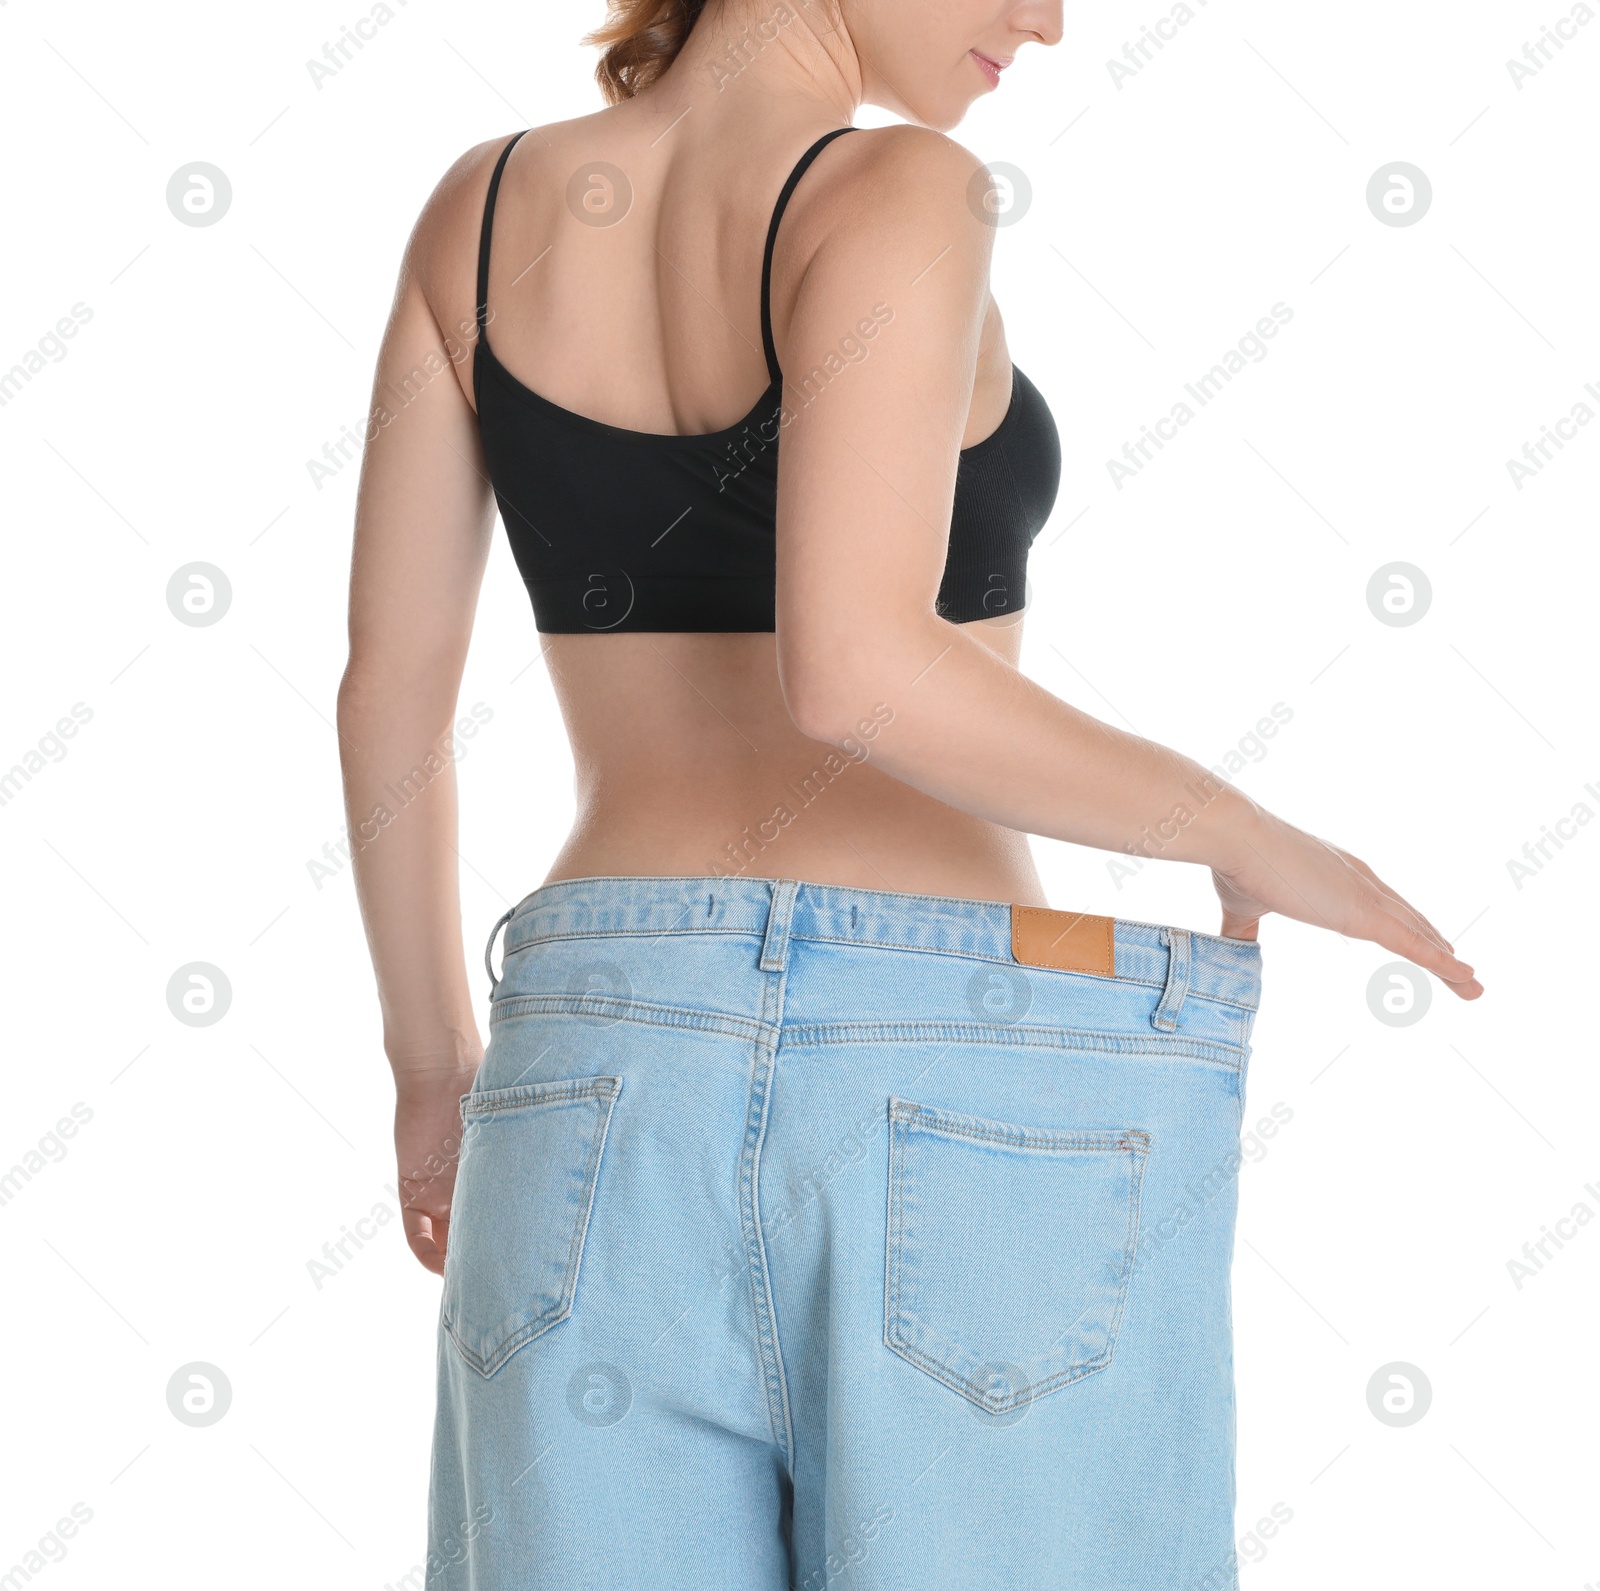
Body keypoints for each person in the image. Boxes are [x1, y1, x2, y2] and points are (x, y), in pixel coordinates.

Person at [337, 0, 1481, 1583]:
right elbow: (859, 670)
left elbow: (389, 696)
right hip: (944, 1079)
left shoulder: (479, 214)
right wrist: (1253, 836)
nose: (1053, 21)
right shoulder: (898, 192)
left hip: (590, 1071)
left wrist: (427, 1069)